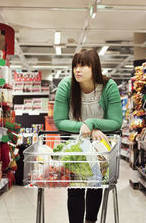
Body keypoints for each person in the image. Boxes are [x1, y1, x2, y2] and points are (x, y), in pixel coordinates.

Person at [53, 49, 123, 223]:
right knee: (75, 187)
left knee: (95, 185)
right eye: (75, 65)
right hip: (73, 142)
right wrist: (86, 129)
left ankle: (91, 220)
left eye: (83, 65)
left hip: (99, 144)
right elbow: (60, 121)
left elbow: (116, 122)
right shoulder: (66, 86)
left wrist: (91, 122)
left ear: (95, 67)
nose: (78, 69)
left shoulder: (108, 86)